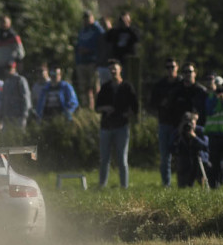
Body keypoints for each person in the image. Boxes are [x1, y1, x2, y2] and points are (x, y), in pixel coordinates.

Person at [95, 60, 138, 189]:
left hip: (122, 127)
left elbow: (135, 107)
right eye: (110, 69)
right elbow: (97, 108)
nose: (113, 71)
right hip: (106, 127)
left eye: (115, 69)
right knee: (104, 159)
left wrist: (126, 114)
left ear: (120, 69)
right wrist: (106, 108)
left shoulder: (127, 87)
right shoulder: (105, 87)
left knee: (122, 159)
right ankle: (102, 184)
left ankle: (124, 185)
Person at [148, 59, 183, 186]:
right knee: (165, 157)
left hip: (180, 125)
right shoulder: (160, 85)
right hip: (164, 123)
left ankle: (182, 183)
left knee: (181, 156)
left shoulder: (181, 84)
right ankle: (166, 183)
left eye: (172, 67)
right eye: (168, 67)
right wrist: (161, 103)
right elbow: (152, 103)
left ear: (177, 67)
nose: (170, 69)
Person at [74, 11, 105, 110]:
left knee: (95, 87)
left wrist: (90, 51)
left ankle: (98, 107)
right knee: (83, 88)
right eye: (84, 18)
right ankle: (87, 108)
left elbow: (102, 44)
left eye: (88, 18)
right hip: (81, 63)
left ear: (92, 18)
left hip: (92, 62)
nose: (86, 20)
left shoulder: (97, 29)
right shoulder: (82, 30)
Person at [172, 112, 210, 189]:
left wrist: (195, 137)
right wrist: (180, 136)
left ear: (195, 122)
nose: (189, 126)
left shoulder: (201, 130)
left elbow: (206, 146)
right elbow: (171, 147)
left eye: (192, 123)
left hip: (199, 158)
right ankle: (183, 186)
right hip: (185, 158)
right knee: (182, 160)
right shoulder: (178, 132)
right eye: (186, 123)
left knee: (201, 166)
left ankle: (203, 185)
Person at [169, 61, 209, 127]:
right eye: (185, 72)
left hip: (197, 127)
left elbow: (206, 111)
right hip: (178, 128)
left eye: (189, 71)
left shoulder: (201, 91)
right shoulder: (177, 91)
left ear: (195, 73)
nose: (187, 74)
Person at [0, 59, 31, 131]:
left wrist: (24, 115)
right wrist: (2, 115)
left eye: (10, 68)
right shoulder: (6, 82)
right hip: (7, 117)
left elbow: (26, 97)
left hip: (18, 116)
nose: (8, 70)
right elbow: (3, 100)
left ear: (14, 68)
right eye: (7, 68)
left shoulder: (20, 80)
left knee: (18, 136)